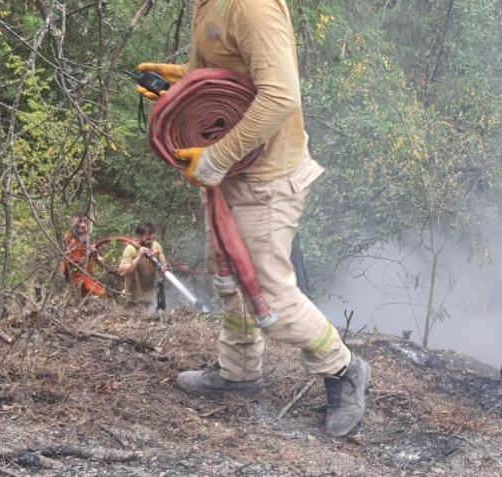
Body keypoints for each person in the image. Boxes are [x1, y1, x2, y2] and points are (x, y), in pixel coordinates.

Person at [136, 0, 370, 437]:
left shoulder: (251, 5)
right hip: (235, 171)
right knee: (225, 275)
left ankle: (344, 369)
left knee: (271, 298)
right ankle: (239, 371)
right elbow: (232, 73)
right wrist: (183, 81)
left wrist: (217, 157)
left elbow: (280, 96)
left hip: (267, 176)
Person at [117, 222, 167, 311]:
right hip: (134, 299)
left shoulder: (155, 246)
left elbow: (163, 261)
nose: (150, 240)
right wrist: (139, 256)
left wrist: (164, 266)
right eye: (147, 237)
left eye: (152, 236)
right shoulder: (130, 249)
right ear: (139, 236)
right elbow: (122, 272)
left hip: (151, 299)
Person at [60, 214, 105, 298]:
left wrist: (97, 256)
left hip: (87, 275)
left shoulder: (85, 239)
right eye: (79, 222)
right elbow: (76, 266)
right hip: (76, 277)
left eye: (85, 222)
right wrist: (89, 253)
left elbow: (98, 261)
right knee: (100, 293)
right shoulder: (72, 241)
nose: (83, 225)